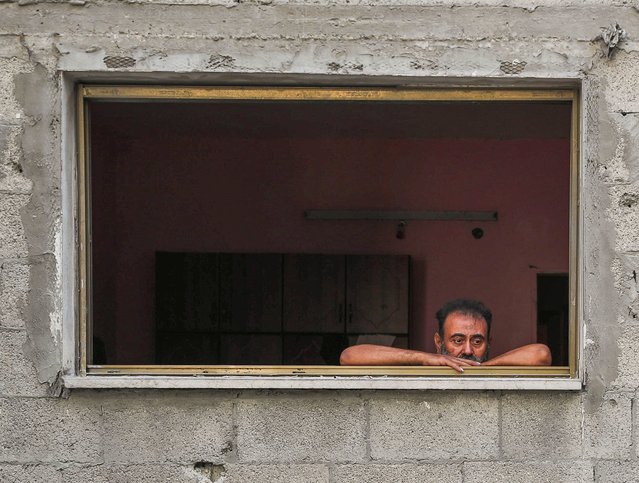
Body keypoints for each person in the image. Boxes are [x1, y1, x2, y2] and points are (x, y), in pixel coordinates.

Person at [339, 298, 551, 373]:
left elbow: (541, 354)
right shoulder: (427, 364)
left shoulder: (489, 367)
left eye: (477, 341)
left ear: (489, 343)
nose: (468, 350)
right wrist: (427, 358)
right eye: (458, 340)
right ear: (438, 342)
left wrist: (484, 368)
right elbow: (349, 357)